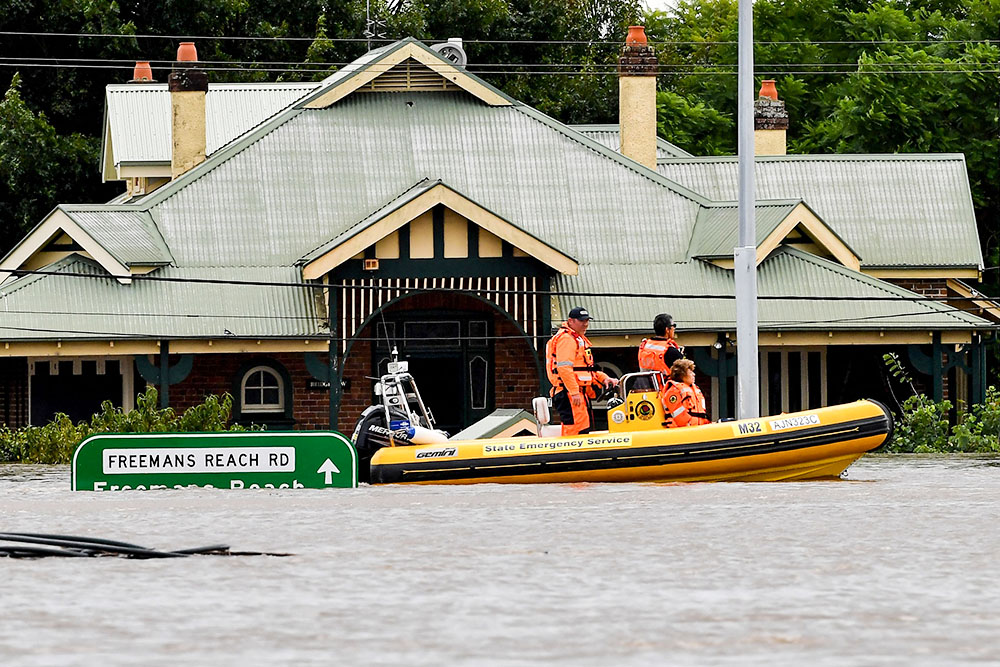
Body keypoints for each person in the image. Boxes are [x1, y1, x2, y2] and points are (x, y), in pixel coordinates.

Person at [545, 306, 618, 436]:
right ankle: (570, 455)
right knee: (575, 431)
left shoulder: (577, 339)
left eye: (587, 321)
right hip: (570, 393)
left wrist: (604, 378)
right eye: (582, 321)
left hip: (576, 393)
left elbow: (585, 369)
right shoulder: (566, 339)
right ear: (571, 321)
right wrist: (574, 392)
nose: (585, 324)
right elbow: (564, 369)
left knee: (582, 430)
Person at [661, 358, 710, 427]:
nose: (694, 374)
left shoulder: (695, 389)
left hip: (697, 428)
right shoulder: (673, 392)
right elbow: (678, 415)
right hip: (684, 431)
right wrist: (690, 424)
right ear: (682, 375)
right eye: (690, 372)